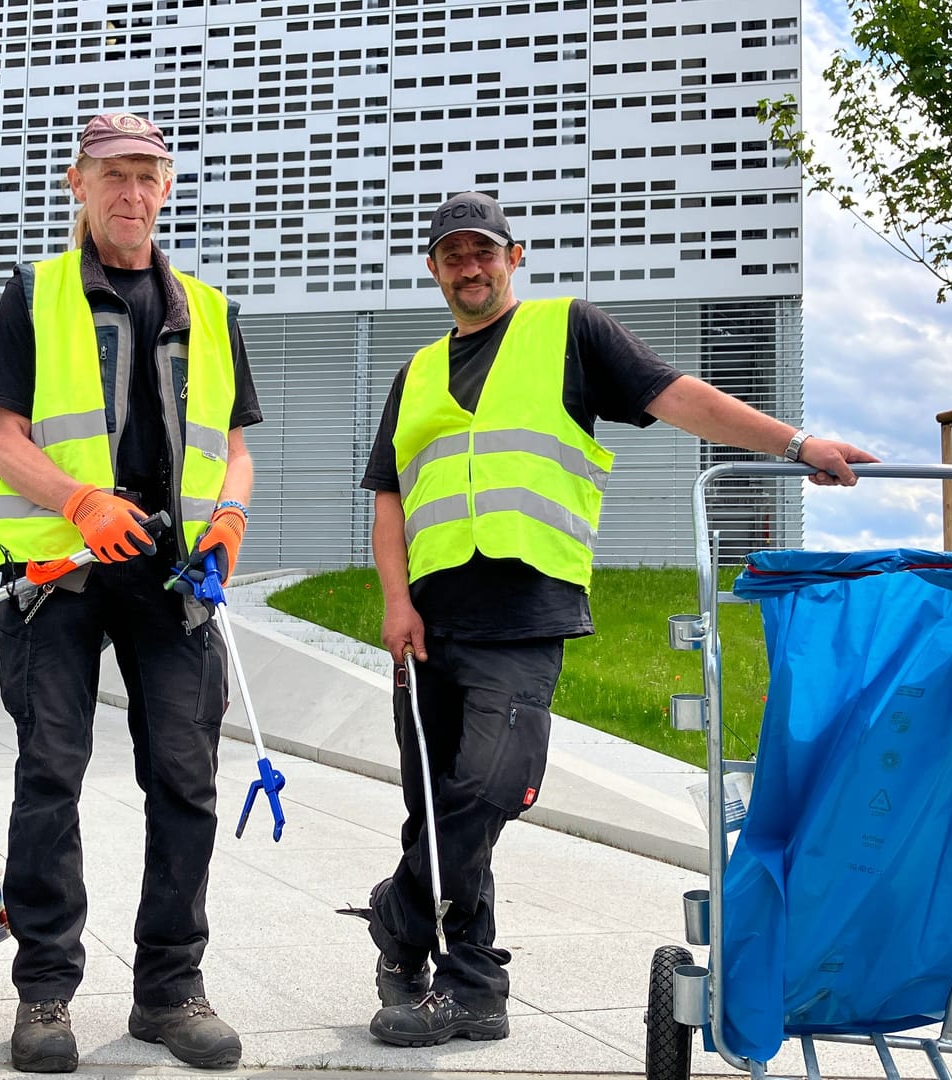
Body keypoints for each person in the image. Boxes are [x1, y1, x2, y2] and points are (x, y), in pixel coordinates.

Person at [357, 191, 877, 1047]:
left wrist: (793, 444)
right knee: (436, 805)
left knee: (492, 787)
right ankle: (470, 983)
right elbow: (389, 494)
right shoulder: (413, 372)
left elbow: (678, 397)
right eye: (453, 255)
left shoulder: (570, 330)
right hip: (428, 623)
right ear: (434, 269)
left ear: (512, 258)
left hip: (524, 614)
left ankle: (398, 916)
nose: (470, 267)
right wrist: (395, 600)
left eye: (484, 251)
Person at [0, 111, 261, 1073]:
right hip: (61, 571)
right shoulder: (35, 294)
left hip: (174, 571)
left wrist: (231, 521)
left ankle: (171, 990)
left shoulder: (209, 310)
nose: (132, 193)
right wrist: (81, 499)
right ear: (77, 186)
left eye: (148, 176)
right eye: (113, 176)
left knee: (186, 777)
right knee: (51, 770)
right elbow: (4, 440)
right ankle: (46, 993)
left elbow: (238, 449)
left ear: (166, 188)